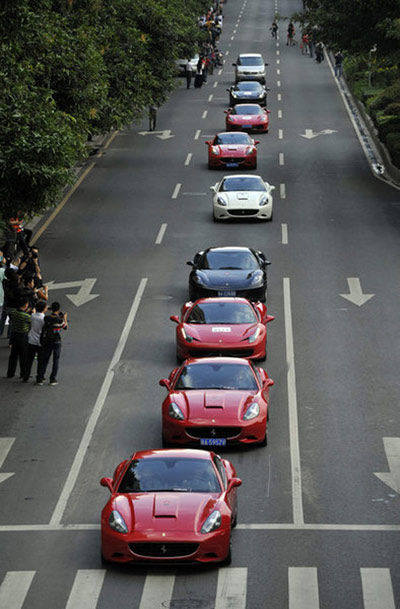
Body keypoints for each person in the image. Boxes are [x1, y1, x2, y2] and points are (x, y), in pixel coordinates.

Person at [36, 301, 68, 386]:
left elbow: (49, 320)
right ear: (58, 309)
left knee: (45, 359)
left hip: (47, 341)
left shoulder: (46, 318)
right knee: (56, 360)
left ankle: (40, 378)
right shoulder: (59, 320)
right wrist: (64, 318)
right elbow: (65, 327)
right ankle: (53, 379)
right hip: (57, 341)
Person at [23, 300, 47, 382]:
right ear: (44, 309)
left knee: (29, 360)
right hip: (40, 342)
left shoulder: (32, 316)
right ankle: (39, 377)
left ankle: (25, 376)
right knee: (41, 361)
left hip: (31, 341)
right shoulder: (44, 319)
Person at [7, 298, 31, 379]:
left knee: (13, 355)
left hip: (14, 335)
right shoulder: (26, 316)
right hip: (23, 337)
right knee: (23, 356)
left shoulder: (13, 313)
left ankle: (10, 372)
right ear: (25, 305)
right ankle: (23, 373)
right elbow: (30, 323)